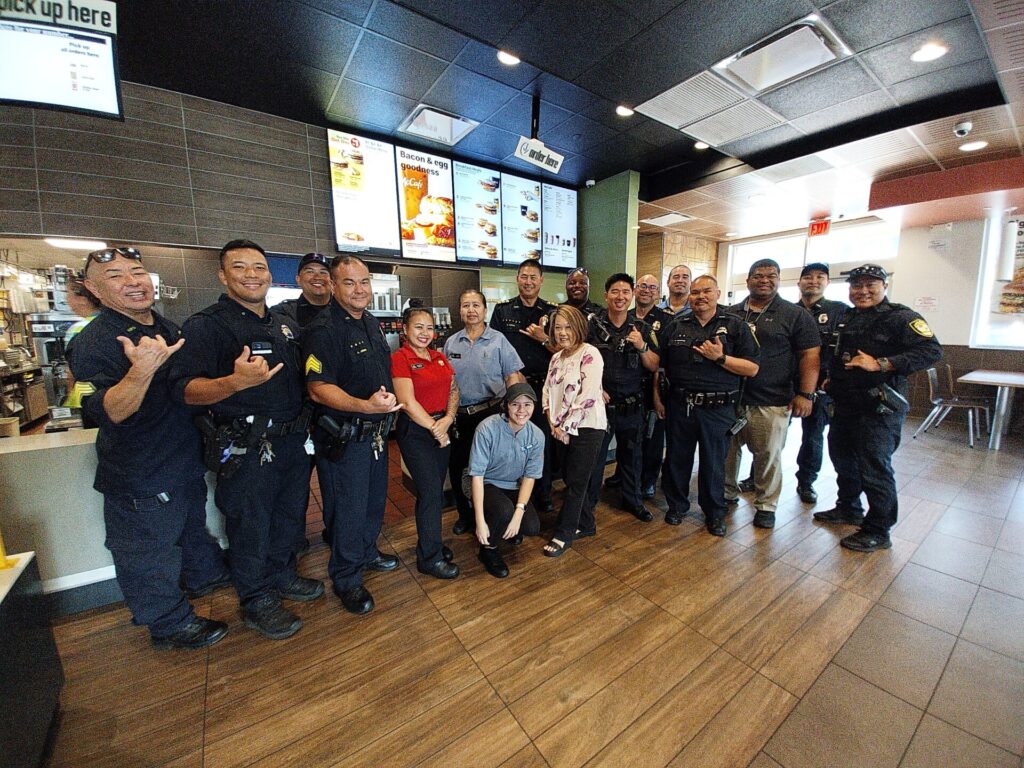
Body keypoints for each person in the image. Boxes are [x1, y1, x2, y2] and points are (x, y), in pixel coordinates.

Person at [68, 246, 229, 650]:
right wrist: (141, 369)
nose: (133, 282)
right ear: (93, 289)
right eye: (116, 276)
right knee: (147, 552)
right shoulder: (94, 341)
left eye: (137, 272)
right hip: (140, 471)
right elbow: (110, 412)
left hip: (184, 461)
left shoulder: (170, 328)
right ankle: (170, 624)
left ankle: (204, 578)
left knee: (191, 528)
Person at [172, 239, 323, 641]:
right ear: (223, 275)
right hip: (247, 447)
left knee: (289, 517)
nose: (252, 275)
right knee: (250, 524)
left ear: (271, 275)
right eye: (240, 268)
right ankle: (256, 600)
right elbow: (186, 390)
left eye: (259, 267)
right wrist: (233, 382)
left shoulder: (282, 323)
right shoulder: (208, 326)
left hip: (291, 443)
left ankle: (282, 575)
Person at [814, 263, 941, 551]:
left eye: (870, 285)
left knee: (874, 467)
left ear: (884, 286)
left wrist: (883, 363)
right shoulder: (847, 317)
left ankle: (878, 529)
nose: (862, 291)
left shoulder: (901, 317)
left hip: (879, 407)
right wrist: (828, 379)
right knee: (842, 458)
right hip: (846, 404)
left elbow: (932, 350)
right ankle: (848, 507)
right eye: (857, 286)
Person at [304, 255, 403, 614]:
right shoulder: (324, 328)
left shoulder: (370, 322)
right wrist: (365, 406)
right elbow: (318, 388)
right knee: (348, 509)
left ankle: (365, 553)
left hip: (374, 435)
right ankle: (346, 578)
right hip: (346, 438)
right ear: (332, 286)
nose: (359, 290)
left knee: (373, 502)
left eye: (364, 282)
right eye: (349, 282)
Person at [653, 275, 760, 535]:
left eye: (707, 291)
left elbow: (752, 368)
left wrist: (720, 358)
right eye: (696, 292)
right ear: (689, 295)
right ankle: (676, 507)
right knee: (677, 460)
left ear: (718, 293)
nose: (701, 296)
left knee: (714, 463)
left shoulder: (735, 326)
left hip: (718, 408)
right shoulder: (676, 326)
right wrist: (657, 399)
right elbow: (659, 368)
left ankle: (714, 513)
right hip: (680, 405)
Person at [723, 258, 821, 529]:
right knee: (727, 452)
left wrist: (806, 394)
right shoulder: (731, 313)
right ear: (748, 280)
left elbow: (810, 356)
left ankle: (766, 505)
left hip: (772, 399)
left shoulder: (795, 315)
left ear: (779, 280)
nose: (764, 280)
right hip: (731, 398)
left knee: (767, 455)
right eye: (758, 275)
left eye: (771, 275)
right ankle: (726, 493)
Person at [443, 289, 524, 535]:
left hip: (491, 414)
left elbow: (512, 376)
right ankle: (465, 516)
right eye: (466, 305)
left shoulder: (498, 340)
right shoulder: (451, 342)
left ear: (484, 310)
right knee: (459, 469)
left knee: (492, 470)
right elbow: (446, 382)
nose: (471, 310)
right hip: (460, 417)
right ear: (460, 311)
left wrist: (514, 415)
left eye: (476, 305)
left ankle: (493, 517)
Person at [392, 306, 460, 580]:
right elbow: (407, 403)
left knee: (436, 492)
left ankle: (431, 544)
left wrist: (448, 418)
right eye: (418, 327)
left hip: (441, 426)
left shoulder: (439, 357)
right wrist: (436, 428)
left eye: (429, 327)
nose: (424, 333)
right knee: (430, 492)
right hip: (417, 432)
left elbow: (453, 388)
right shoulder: (400, 358)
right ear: (406, 330)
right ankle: (429, 559)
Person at [585, 274, 660, 522]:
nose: (620, 296)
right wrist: (595, 388)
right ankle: (588, 506)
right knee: (595, 459)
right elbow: (579, 362)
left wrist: (641, 346)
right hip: (599, 405)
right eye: (615, 291)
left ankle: (633, 500)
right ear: (606, 295)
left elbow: (653, 366)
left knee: (632, 457)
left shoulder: (644, 329)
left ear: (633, 295)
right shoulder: (591, 327)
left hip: (632, 405)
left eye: (625, 292)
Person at [488, 259, 556, 512]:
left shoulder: (552, 312)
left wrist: (544, 338)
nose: (528, 282)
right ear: (517, 279)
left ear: (541, 281)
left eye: (533, 277)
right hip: (515, 389)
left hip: (545, 390)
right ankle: (513, 496)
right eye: (524, 276)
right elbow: (495, 349)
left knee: (542, 443)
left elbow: (563, 349)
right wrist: (515, 377)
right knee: (513, 444)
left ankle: (543, 494)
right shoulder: (503, 311)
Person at [543, 305, 607, 555]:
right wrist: (552, 422)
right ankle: (587, 524)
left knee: (577, 483)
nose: (562, 332)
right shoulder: (557, 357)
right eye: (558, 327)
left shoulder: (590, 353)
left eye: (568, 326)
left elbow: (588, 395)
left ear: (579, 327)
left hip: (587, 426)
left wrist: (566, 427)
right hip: (560, 427)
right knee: (569, 478)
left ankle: (564, 534)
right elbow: (547, 390)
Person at [468, 383, 545, 578]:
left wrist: (519, 513)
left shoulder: (536, 435)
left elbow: (530, 476)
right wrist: (480, 521)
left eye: (527, 404)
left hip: (513, 484)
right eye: (515, 404)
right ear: (506, 406)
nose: (522, 410)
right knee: (503, 510)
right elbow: (476, 475)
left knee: (531, 527)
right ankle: (488, 550)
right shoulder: (487, 428)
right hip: (486, 482)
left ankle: (504, 525)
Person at [793, 263, 848, 504]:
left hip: (819, 386)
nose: (812, 281)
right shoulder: (786, 310)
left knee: (813, 435)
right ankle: (755, 477)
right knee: (769, 437)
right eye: (807, 277)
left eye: (819, 277)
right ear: (799, 282)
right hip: (784, 383)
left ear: (827, 282)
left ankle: (806, 482)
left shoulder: (839, 311)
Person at [634, 272, 677, 498]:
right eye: (642, 286)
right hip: (630, 386)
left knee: (652, 439)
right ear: (635, 289)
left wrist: (658, 396)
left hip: (655, 388)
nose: (647, 290)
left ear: (658, 293)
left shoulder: (668, 320)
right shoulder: (626, 316)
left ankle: (649, 480)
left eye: (652, 287)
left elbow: (664, 363)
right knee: (631, 438)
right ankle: (625, 476)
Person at [63, 275, 103, 408]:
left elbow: (72, 370)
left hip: (88, 394)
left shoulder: (78, 329)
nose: (66, 299)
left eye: (68, 294)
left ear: (82, 298)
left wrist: (71, 397)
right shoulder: (114, 322)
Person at [272, 252, 332, 329]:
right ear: (298, 279)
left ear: (332, 281)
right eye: (310, 272)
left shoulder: (345, 311)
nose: (317, 277)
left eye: (323, 272)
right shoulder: (282, 313)